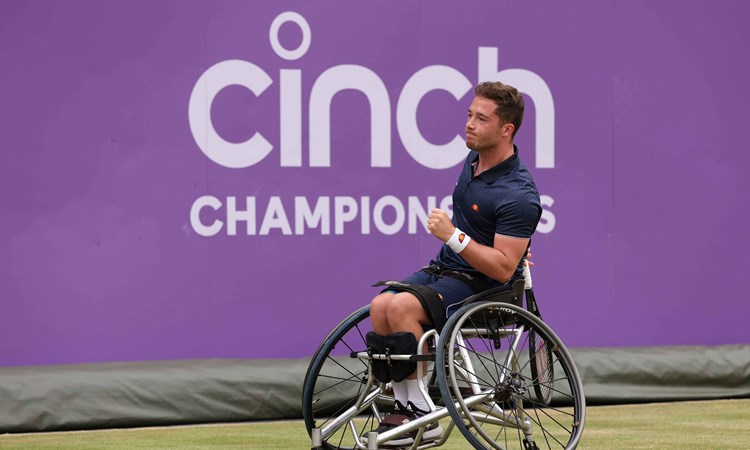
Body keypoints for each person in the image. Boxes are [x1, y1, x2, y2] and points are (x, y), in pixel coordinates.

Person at [365, 81, 542, 446]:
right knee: (380, 305)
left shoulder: (520, 194)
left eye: (482, 119)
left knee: (401, 309)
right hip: (446, 270)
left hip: (486, 288)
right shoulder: (473, 159)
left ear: (506, 129)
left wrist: (453, 236)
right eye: (469, 115)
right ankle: (410, 406)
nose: (470, 124)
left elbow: (503, 268)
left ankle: (420, 417)